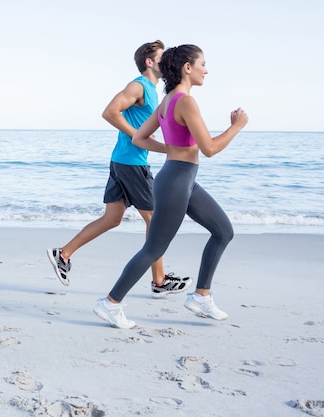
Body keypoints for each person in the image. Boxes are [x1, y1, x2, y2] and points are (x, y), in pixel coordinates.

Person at [93, 44, 249, 329]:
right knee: (153, 248)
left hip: (182, 178)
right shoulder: (185, 101)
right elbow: (210, 148)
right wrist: (236, 126)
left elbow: (139, 138)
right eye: (203, 63)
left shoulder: (167, 101)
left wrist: (172, 148)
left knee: (223, 231)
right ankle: (111, 303)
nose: (206, 69)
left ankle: (201, 296)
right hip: (177, 180)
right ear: (187, 68)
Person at [47, 40, 191, 298]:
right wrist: (139, 137)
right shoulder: (139, 86)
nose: (167, 61)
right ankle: (159, 281)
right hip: (131, 163)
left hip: (123, 160)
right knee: (154, 219)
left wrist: (158, 145)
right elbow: (110, 112)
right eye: (161, 57)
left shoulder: (154, 91)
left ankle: (63, 254)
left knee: (112, 218)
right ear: (149, 62)